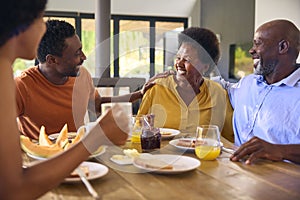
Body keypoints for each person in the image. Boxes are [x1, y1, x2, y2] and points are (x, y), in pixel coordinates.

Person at [0, 0, 129, 199]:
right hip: (40, 173)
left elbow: (94, 103)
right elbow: (12, 188)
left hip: (72, 169)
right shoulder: (16, 83)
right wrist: (97, 136)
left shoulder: (6, 70)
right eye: (40, 19)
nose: (43, 28)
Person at [15, 19, 154, 140]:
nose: (84, 57)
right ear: (52, 60)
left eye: (81, 49)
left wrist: (139, 94)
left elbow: (98, 104)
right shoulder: (22, 86)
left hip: (78, 155)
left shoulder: (83, 76)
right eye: (77, 53)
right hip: (38, 160)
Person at [215, 19, 300, 164]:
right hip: (236, 172)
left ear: (283, 47)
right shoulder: (247, 83)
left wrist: (279, 150)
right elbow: (215, 85)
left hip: (284, 182)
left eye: (258, 43)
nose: (251, 50)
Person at [137, 27, 234, 142]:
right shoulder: (156, 88)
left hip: (204, 157)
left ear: (206, 66)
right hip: (161, 157)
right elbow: (138, 128)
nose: (179, 64)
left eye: (187, 60)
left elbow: (230, 138)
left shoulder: (219, 94)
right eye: (178, 58)